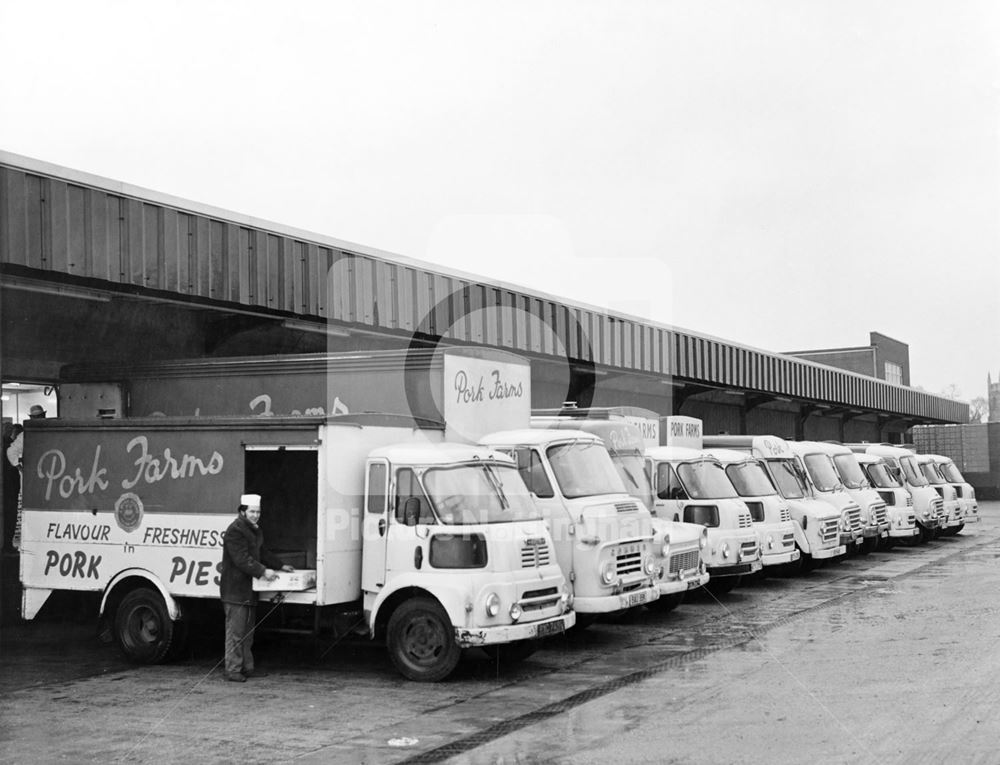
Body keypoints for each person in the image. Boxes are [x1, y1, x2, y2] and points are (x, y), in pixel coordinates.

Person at [219, 493, 294, 682]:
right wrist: (263, 571)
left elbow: (261, 552)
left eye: (258, 512)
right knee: (236, 632)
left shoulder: (254, 530)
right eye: (252, 511)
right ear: (243, 511)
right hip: (235, 590)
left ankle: (247, 667)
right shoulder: (235, 530)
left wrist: (279, 565)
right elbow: (241, 559)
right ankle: (233, 669)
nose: (255, 515)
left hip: (249, 589)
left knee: (247, 632)